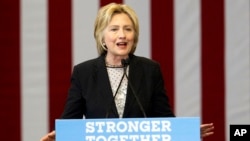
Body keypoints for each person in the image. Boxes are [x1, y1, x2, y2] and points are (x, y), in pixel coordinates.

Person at [40, 3, 214, 141]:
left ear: (134, 36)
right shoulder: (84, 73)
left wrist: (185, 132)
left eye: (128, 29)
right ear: (102, 36)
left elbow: (164, 118)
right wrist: (60, 136)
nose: (122, 35)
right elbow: (71, 120)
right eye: (114, 29)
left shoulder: (150, 70)